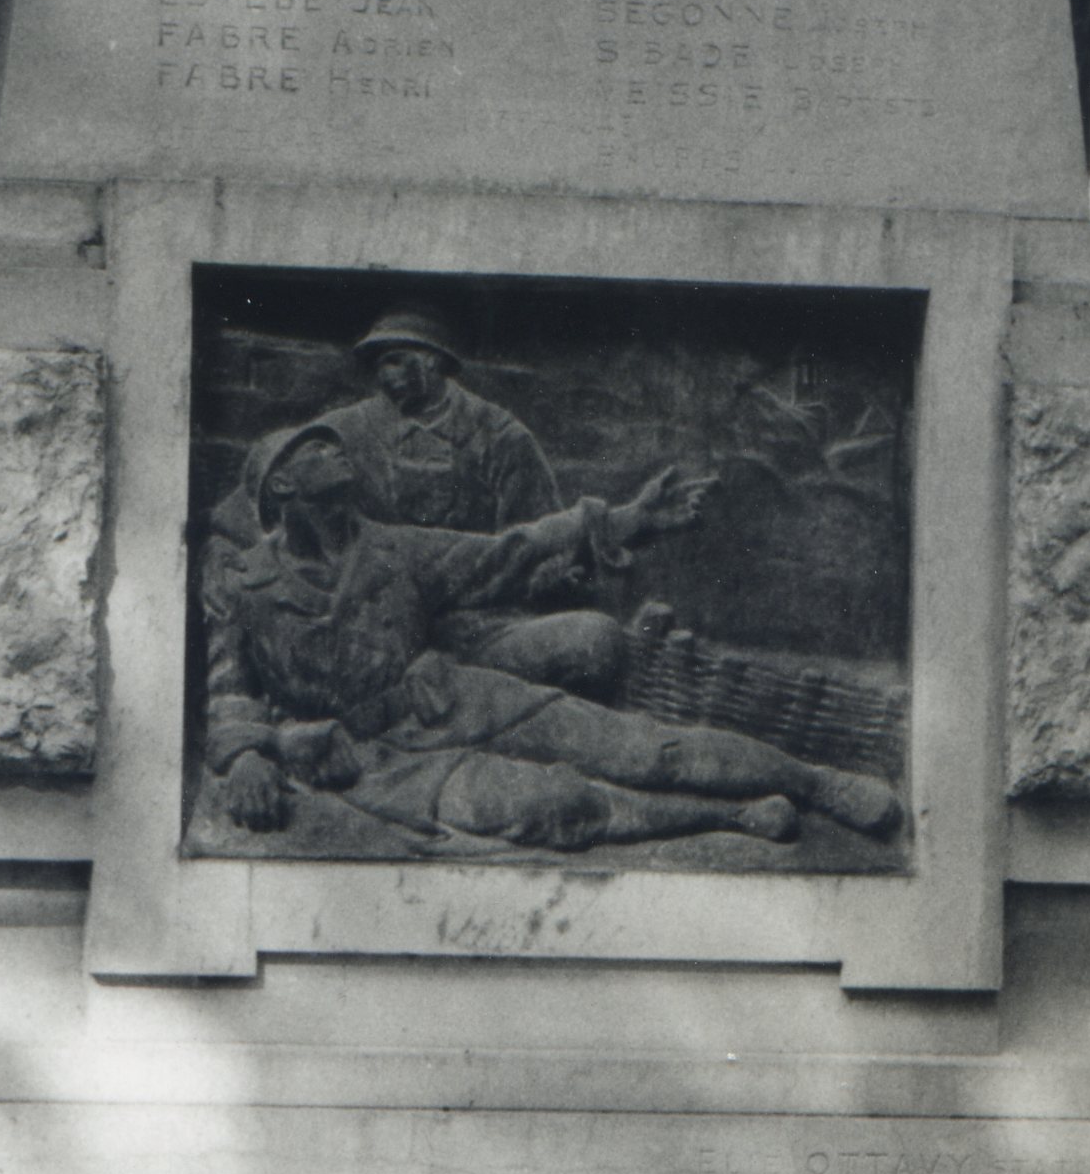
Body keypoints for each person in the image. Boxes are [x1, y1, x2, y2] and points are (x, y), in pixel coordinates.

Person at [199, 427, 903, 853]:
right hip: (379, 761)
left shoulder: (392, 549)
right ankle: (730, 819)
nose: (333, 446)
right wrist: (245, 758)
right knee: (551, 808)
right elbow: (229, 687)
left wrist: (624, 519)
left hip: (458, 698)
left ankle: (816, 780)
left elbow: (510, 549)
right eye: (312, 447)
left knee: (644, 748)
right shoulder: (242, 583)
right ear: (282, 483)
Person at [297, 300, 559, 535]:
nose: (384, 377)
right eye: (378, 366)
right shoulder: (346, 430)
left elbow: (534, 538)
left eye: (394, 361)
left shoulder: (500, 437)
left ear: (432, 359)